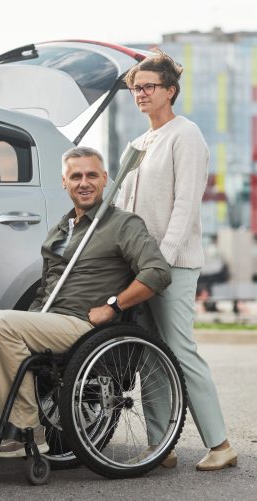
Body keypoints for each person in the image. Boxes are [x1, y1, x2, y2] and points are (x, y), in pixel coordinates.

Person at [0, 146, 171, 459]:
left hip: (85, 325)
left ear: (105, 179)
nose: (84, 182)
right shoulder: (61, 229)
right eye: (76, 176)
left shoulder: (122, 224)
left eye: (92, 175)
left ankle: (25, 430)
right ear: (64, 183)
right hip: (49, 319)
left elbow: (158, 272)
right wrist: (30, 320)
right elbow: (46, 288)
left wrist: (113, 306)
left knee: (5, 323)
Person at [116, 50, 237, 471]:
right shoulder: (137, 143)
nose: (141, 93)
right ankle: (160, 444)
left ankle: (220, 444)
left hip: (172, 265)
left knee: (180, 349)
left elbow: (185, 207)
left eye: (149, 86)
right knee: (149, 352)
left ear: (171, 91)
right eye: (136, 87)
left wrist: (159, 266)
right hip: (139, 265)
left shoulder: (187, 135)